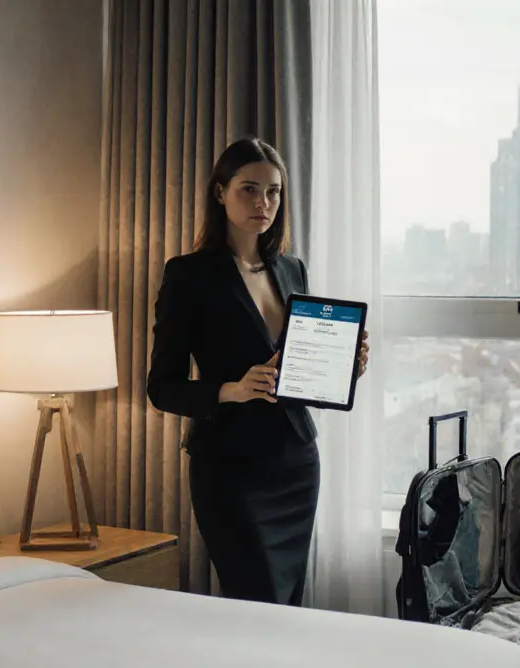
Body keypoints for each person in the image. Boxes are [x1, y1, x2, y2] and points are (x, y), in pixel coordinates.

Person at [146, 137, 369, 606]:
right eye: (249, 189)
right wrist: (232, 389)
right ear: (220, 192)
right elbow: (162, 388)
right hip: (230, 469)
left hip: (296, 459)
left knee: (287, 605)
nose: (262, 203)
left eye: (273, 192)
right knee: (256, 600)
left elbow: (297, 370)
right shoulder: (189, 275)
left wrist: (345, 367)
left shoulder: (291, 269)